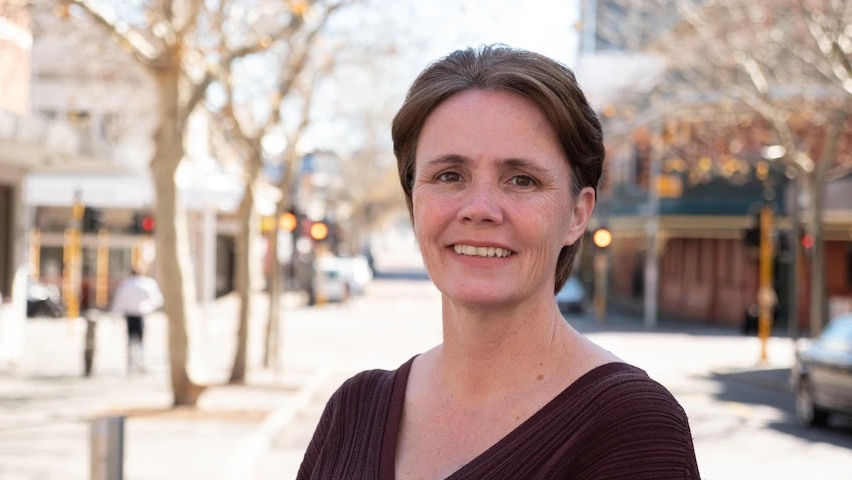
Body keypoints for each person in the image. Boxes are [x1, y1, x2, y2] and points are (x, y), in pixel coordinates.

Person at [297, 44, 701, 479]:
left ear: (577, 215)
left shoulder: (633, 431)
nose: (479, 208)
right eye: (449, 176)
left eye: (521, 180)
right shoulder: (353, 411)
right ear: (413, 201)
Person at [110, 267, 163, 373]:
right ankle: (141, 362)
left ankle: (130, 363)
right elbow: (157, 299)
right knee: (141, 340)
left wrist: (115, 314)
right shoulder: (148, 284)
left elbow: (119, 301)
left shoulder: (126, 284)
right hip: (140, 314)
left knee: (130, 340)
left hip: (130, 314)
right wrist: (148, 308)